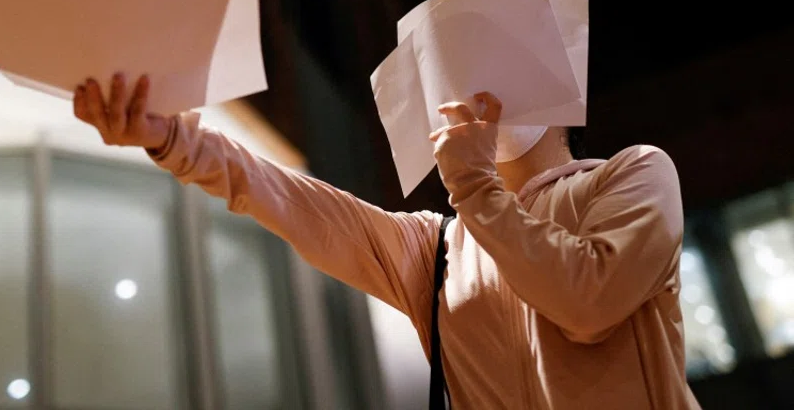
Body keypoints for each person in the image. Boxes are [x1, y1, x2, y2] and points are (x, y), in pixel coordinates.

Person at [74, 73, 701, 409]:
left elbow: (589, 302)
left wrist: (477, 186)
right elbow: (292, 202)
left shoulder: (634, 173)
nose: (476, 98)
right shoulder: (438, 250)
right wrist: (175, 141)